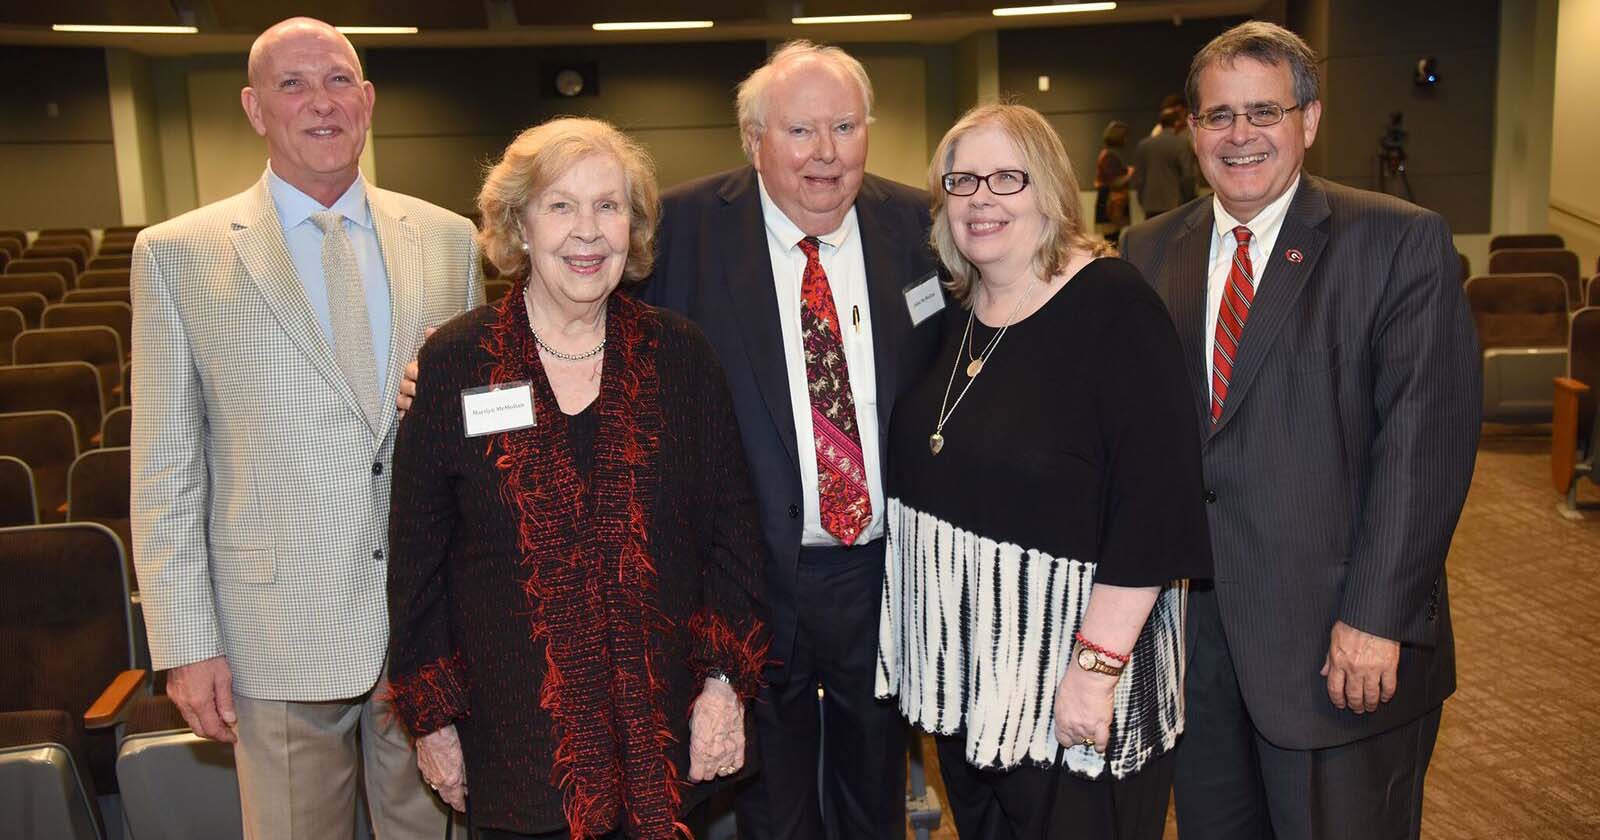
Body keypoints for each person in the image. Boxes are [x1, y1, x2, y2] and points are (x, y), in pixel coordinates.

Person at [1121, 21, 1480, 840]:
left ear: (1309, 122)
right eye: (1218, 116)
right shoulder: (1149, 248)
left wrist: (1377, 617)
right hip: (1199, 652)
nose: (1239, 135)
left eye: (1263, 112)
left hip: (1342, 648)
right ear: (1192, 130)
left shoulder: (1397, 240)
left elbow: (1424, 450)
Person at [130, 17, 482, 838]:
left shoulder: (446, 239)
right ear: (255, 108)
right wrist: (186, 643)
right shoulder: (176, 253)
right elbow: (165, 468)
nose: (319, 103)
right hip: (274, 630)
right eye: (293, 85)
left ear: (367, 101)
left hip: (427, 621)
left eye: (336, 82)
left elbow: (476, 441)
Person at [384, 117, 770, 840]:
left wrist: (724, 686)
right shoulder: (456, 364)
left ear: (635, 226)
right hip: (512, 754)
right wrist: (432, 722)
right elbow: (416, 567)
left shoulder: (681, 357)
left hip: (666, 743)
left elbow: (735, 540)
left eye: (609, 206)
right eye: (561, 206)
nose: (587, 232)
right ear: (519, 225)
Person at [875, 103, 1211, 840]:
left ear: (1053, 191)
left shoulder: (1114, 308)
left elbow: (1156, 504)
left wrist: (1095, 671)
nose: (981, 198)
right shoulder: (956, 309)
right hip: (971, 688)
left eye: (1007, 177)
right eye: (961, 181)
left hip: (1072, 690)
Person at [642, 40, 945, 840]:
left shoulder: (921, 225)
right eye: (801, 132)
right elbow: (576, 310)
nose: (825, 154)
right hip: (749, 568)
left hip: (883, 564)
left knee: (877, 776)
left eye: (845, 127)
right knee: (770, 798)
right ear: (754, 140)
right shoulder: (681, 229)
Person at [1130, 104, 1200, 218]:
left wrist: (1142, 200)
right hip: (1175, 204)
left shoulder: (1143, 145)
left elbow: (1138, 178)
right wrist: (1189, 200)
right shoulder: (1181, 144)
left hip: (1150, 205)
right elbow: (1188, 177)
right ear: (1177, 123)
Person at [1093, 120, 1135, 241]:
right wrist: (1130, 173)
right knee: (1112, 239)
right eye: (1125, 136)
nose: (1126, 140)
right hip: (1111, 203)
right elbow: (1115, 182)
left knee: (1112, 238)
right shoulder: (1109, 156)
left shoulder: (1107, 154)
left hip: (1109, 200)